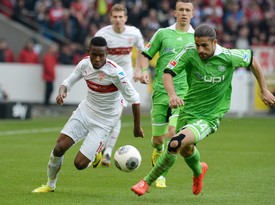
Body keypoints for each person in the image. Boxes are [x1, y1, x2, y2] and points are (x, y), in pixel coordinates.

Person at [131, 24, 275, 196]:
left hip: (210, 116)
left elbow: (252, 59)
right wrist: (172, 95)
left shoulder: (229, 56)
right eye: (197, 44)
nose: (200, 49)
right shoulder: (189, 52)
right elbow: (167, 73)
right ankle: (199, 170)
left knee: (175, 143)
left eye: (204, 45)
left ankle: (145, 182)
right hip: (188, 111)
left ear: (214, 42)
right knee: (186, 150)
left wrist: (264, 89)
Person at [32, 36, 144, 193]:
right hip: (85, 112)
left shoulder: (116, 72)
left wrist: (137, 127)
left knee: (79, 164)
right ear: (88, 52)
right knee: (58, 148)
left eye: (101, 55)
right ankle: (50, 185)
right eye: (94, 55)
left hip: (104, 122)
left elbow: (135, 99)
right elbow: (67, 82)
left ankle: (96, 154)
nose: (97, 59)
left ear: (107, 53)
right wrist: (62, 93)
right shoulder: (84, 64)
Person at [138, 0, 195, 188]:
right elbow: (145, 54)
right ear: (175, 12)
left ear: (192, 14)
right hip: (161, 92)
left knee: (173, 134)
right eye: (181, 10)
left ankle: (161, 176)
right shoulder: (163, 33)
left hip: (183, 93)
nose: (184, 13)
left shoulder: (197, 38)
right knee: (157, 140)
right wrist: (144, 71)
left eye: (188, 10)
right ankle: (158, 151)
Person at [93, 3, 147, 167]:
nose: (117, 20)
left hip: (124, 78)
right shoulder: (102, 35)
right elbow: (94, 55)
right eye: (114, 17)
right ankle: (100, 148)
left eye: (120, 17)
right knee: (103, 115)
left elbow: (142, 52)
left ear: (125, 18)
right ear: (110, 18)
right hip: (106, 77)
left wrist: (139, 71)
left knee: (117, 114)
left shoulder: (134, 33)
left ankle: (107, 152)